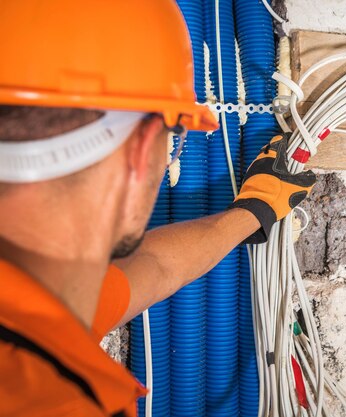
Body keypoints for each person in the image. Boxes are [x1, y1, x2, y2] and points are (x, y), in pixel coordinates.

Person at [0, 1, 315, 416]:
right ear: (143, 149)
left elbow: (153, 264)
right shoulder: (56, 401)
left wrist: (252, 211)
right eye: (174, 139)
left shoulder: (42, 299)